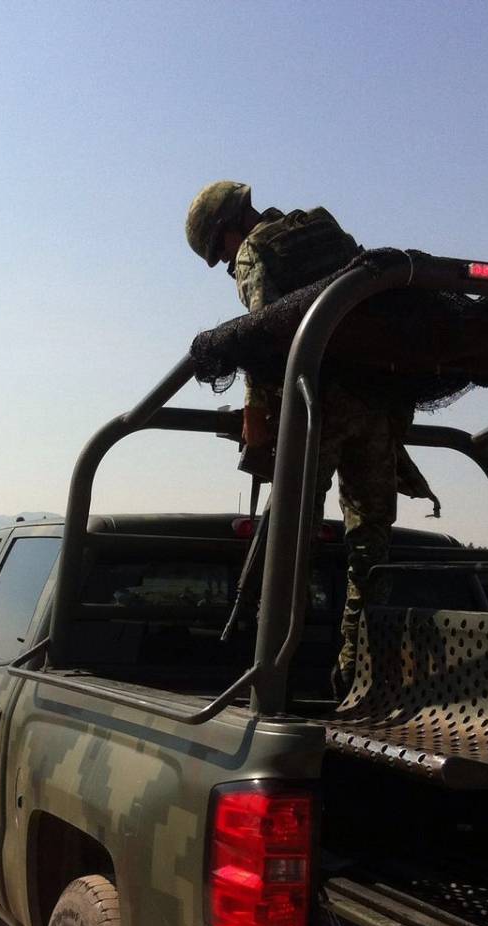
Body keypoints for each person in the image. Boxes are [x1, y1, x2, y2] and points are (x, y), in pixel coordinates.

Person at [185, 180, 439, 699]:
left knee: (288, 545)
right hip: (372, 404)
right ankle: (361, 675)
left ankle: (270, 677)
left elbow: (264, 336)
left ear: (226, 230)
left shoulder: (256, 251)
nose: (229, 266)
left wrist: (256, 412)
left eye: (221, 254)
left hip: (315, 407)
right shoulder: (319, 227)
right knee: (371, 546)